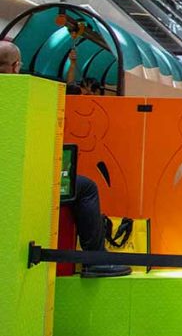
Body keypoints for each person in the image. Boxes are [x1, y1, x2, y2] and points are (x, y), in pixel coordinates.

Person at [0, 41, 128, 277]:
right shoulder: (27, 91)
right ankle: (95, 260)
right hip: (23, 183)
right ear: (17, 66)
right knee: (85, 187)